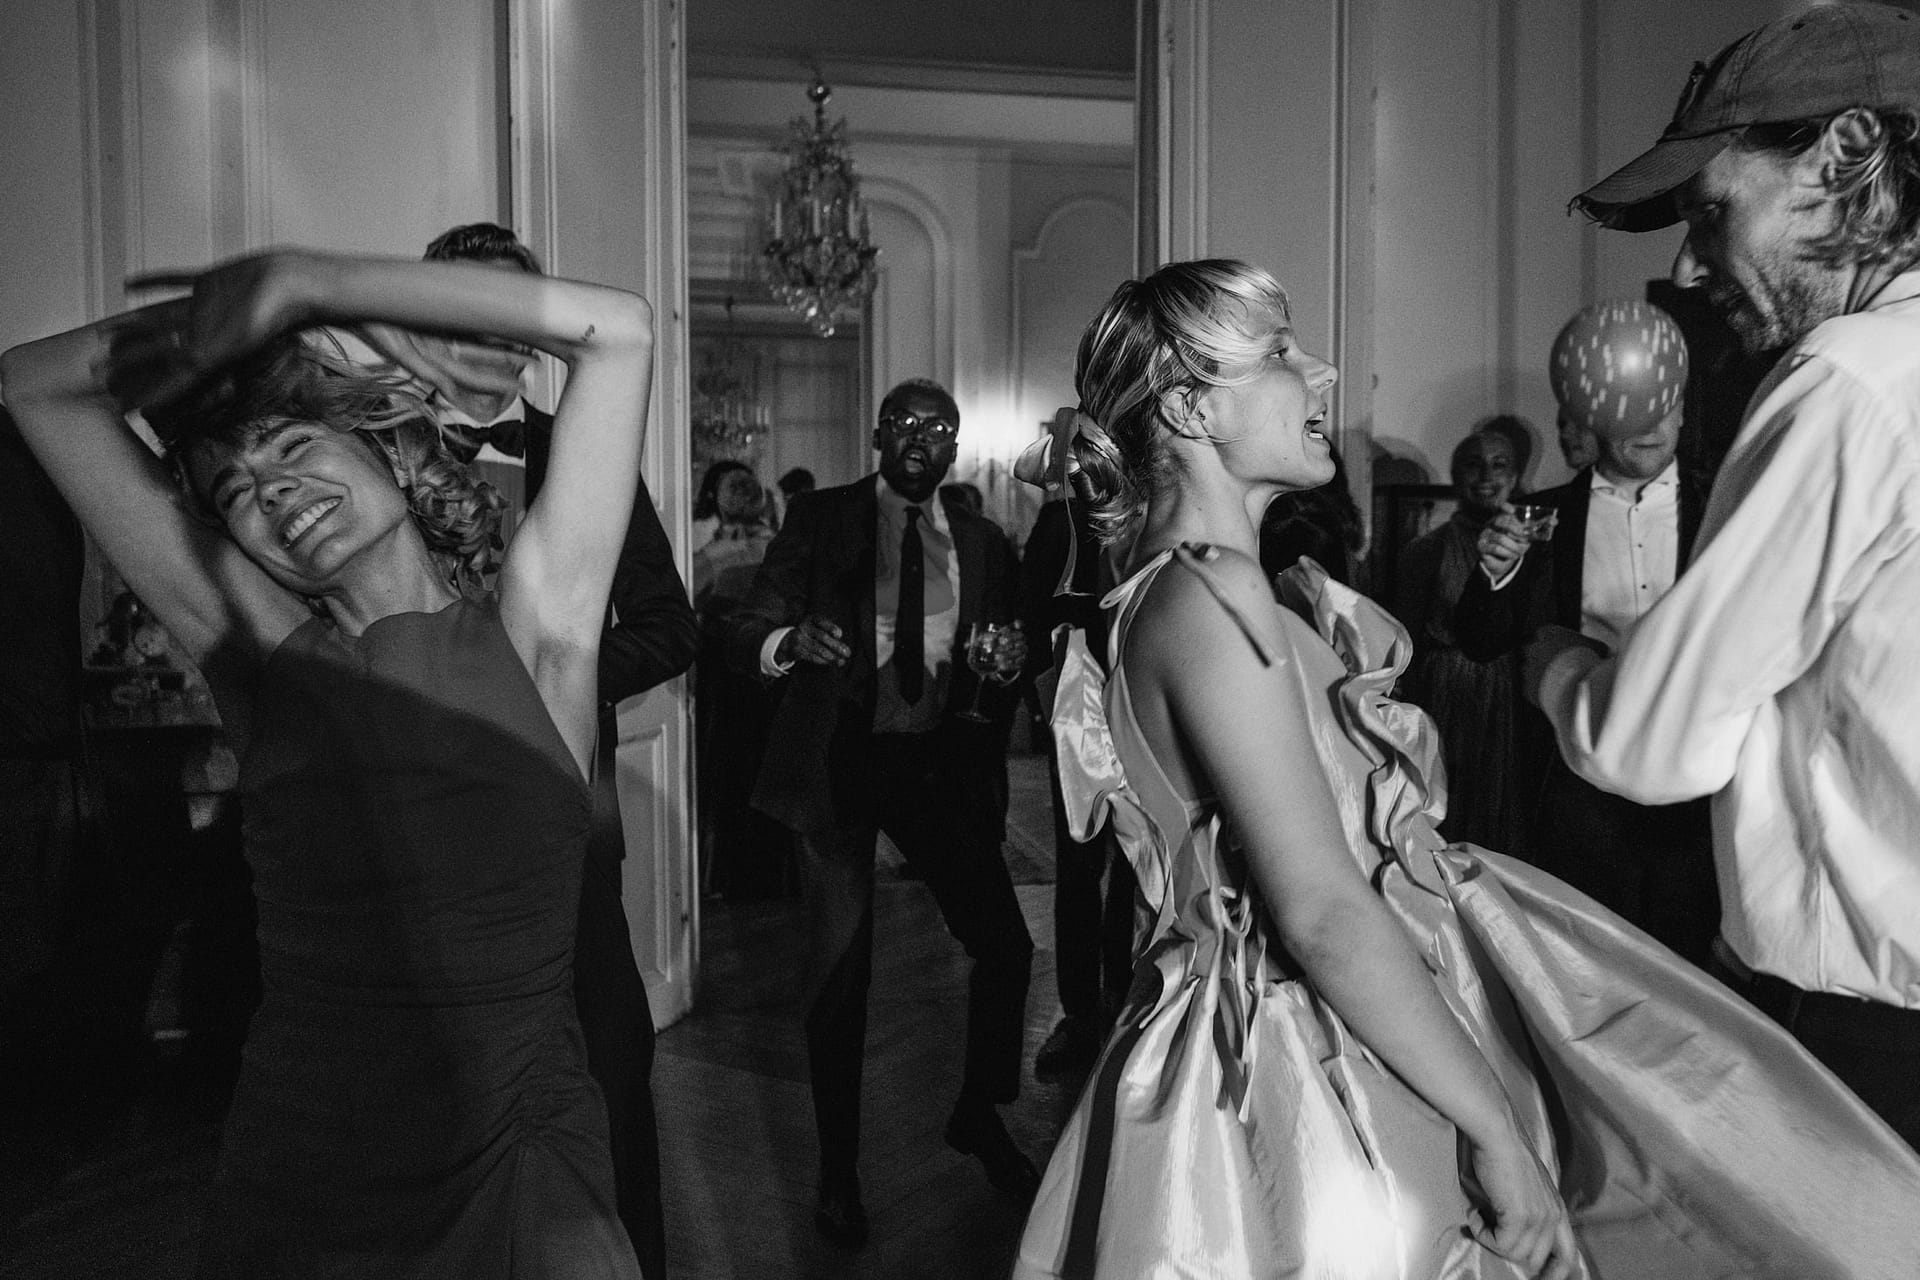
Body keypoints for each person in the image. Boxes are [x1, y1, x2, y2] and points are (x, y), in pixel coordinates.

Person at [1013, 258, 1920, 1280]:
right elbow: (1322, 910)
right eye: (1277, 353)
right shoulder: (1216, 597)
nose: (1319, 371)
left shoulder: (1168, 592)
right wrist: (1495, 1126)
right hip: (1304, 1057)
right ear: (1190, 407)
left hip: (1310, 1023)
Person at [2, 248, 656, 1277]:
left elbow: (619, 331)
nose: (273, 488)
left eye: (294, 442)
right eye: (234, 489)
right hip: (308, 1165)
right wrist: (238, 321)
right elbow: (33, 384)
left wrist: (313, 286)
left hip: (515, 1155)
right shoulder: (262, 659)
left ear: (386, 450)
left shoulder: (542, 640)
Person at [1528, 1, 1920, 1148]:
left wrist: (1563, 671)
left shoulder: (1848, 379)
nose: (1688, 265)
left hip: (1865, 1034)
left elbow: (1653, 743)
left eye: (1711, 210)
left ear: (1847, 153)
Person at [367, 220, 696, 1278]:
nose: (490, 334)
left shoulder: (583, 446)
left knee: (611, 1060)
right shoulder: (363, 451)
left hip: (564, 814)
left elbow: (670, 628)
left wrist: (550, 669)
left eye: (513, 311)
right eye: (466, 308)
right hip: (408, 818)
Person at [720, 378, 1038, 1247]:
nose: (918, 436)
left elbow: (1000, 656)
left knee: (1007, 947)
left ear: (955, 448)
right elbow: (746, 627)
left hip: (935, 771)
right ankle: (838, 1172)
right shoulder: (821, 518)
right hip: (837, 767)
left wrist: (1006, 663)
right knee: (841, 981)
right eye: (902, 421)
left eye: (937, 426)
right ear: (876, 435)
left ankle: (978, 1112)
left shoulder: (982, 541)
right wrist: (788, 642)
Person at [1453, 399, 1719, 966]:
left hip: (1700, 780)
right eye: (1632, 405)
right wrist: (1494, 577)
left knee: (1696, 970)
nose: (1650, 423)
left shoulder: (1725, 505)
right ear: (1597, 413)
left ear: (1682, 413)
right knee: (1587, 966)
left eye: (1665, 404)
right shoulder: (1542, 515)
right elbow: (1480, 639)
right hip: (1576, 784)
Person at [1019, 486, 1134, 1079]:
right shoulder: (1063, 519)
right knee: (1079, 865)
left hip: (1154, 706)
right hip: (1081, 708)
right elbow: (1031, 613)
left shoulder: (1173, 502)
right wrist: (1050, 704)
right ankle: (1081, 1013)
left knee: (1146, 865)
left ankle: (1133, 1000)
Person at [1390, 428, 1527, 850]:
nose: (1486, 476)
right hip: (1445, 698)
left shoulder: (1535, 549)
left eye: (1499, 465)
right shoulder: (1426, 551)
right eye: (1473, 465)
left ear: (1516, 476)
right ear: (1455, 475)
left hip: (1509, 703)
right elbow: (1403, 640)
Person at [690, 461, 792, 901]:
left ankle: (733, 877)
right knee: (770, 768)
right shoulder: (779, 548)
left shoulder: (712, 556)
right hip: (774, 672)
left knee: (729, 771)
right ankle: (778, 874)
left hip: (726, 671)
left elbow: (686, 602)